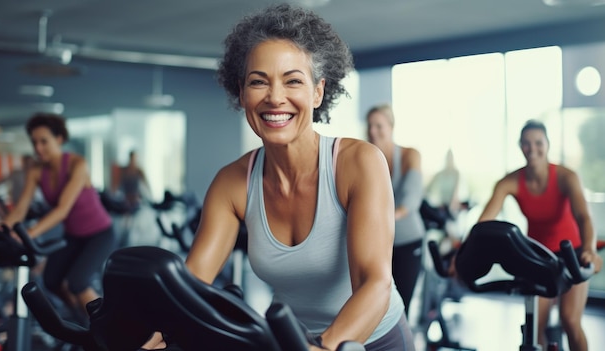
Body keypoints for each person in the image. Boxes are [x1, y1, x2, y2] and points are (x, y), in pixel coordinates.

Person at [142, 4, 414, 351]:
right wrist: (151, 335)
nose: (274, 97)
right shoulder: (232, 184)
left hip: (377, 339)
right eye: (258, 82)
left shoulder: (358, 163)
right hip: (298, 341)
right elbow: (192, 283)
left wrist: (324, 347)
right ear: (241, 93)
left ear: (318, 92)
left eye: (293, 81)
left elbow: (375, 284)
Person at [478, 119, 603, 351]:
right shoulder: (511, 181)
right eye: (526, 143)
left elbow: (584, 217)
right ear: (520, 146)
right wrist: (466, 253)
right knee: (535, 325)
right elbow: (484, 223)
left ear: (547, 144)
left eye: (538, 142)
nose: (532, 148)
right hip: (539, 258)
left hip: (573, 254)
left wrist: (589, 249)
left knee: (570, 320)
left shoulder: (566, 177)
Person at [1, 113, 115, 319]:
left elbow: (62, 209)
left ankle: (110, 329)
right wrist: (3, 229)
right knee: (52, 280)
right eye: (34, 142)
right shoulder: (36, 170)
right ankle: (81, 321)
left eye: (44, 141)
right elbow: (21, 208)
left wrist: (29, 233)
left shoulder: (76, 164)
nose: (38, 148)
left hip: (99, 234)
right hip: (73, 236)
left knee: (77, 282)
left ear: (59, 139)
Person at [366, 104, 425, 317]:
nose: (373, 131)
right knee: (378, 306)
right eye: (370, 126)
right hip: (379, 244)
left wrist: (378, 220)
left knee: (402, 308)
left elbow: (410, 200)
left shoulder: (410, 155)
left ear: (391, 127)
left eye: (379, 126)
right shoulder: (365, 158)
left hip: (407, 241)